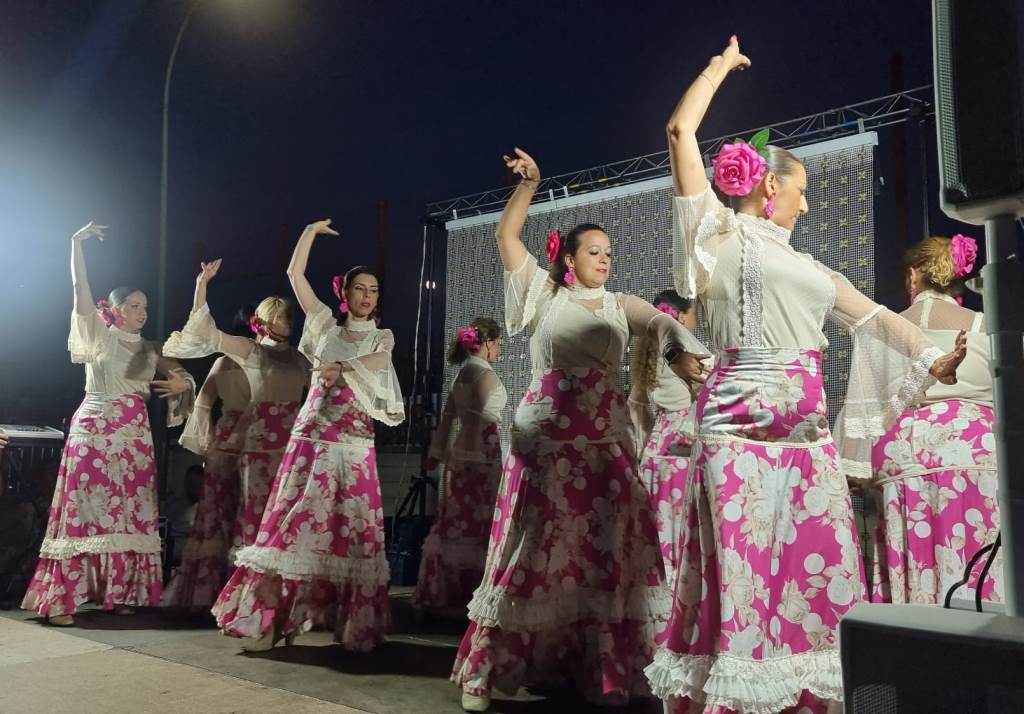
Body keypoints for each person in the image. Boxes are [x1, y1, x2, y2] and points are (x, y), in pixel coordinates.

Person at [645, 37, 967, 713]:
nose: (810, 205)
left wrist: (935, 357)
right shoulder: (716, 236)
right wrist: (720, 68)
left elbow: (876, 318)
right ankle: (734, 697)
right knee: (741, 569)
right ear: (770, 184)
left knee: (813, 568)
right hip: (734, 430)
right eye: (804, 190)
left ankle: (804, 698)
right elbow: (680, 130)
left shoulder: (813, 269)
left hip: (805, 437)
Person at [451, 149, 708, 712]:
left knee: (612, 546)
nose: (604, 260)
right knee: (537, 543)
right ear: (568, 258)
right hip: (546, 441)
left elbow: (663, 319)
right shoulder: (542, 295)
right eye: (593, 251)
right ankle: (489, 670)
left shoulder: (619, 304)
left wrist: (678, 349)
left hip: (604, 441)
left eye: (609, 253)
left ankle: (603, 668)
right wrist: (531, 186)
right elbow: (506, 236)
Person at [211, 220, 404, 652]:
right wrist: (309, 233)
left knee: (352, 531)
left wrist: (345, 369)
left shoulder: (382, 336)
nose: (367, 295)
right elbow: (295, 276)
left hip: (355, 443)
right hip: (313, 437)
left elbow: (376, 361)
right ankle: (268, 619)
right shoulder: (321, 324)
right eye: (360, 288)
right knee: (293, 522)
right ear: (346, 293)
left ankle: (351, 624)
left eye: (373, 289)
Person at [21, 222, 195, 625]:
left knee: (130, 512)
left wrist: (181, 382)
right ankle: (63, 598)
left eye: (145, 307)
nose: (141, 312)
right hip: (96, 429)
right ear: (115, 309)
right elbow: (80, 291)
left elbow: (184, 372)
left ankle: (125, 591)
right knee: (84, 510)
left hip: (134, 436)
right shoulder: (100, 334)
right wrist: (76, 246)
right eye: (134, 306)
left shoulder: (151, 347)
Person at [867, 234, 999, 604]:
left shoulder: (885, 327)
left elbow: (870, 402)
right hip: (977, 452)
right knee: (981, 553)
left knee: (917, 557)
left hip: (905, 455)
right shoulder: (988, 326)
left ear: (914, 277)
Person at [412, 318, 506, 617]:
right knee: (479, 527)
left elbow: (449, 417)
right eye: (498, 341)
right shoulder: (485, 375)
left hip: (459, 459)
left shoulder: (462, 374)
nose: (500, 347)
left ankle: (446, 593)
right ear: (488, 342)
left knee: (455, 527)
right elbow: (478, 421)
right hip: (481, 458)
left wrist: (436, 453)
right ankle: (471, 594)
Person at [161, 353, 250, 609]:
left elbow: (203, 403)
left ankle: (213, 590)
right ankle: (232, 592)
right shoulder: (253, 361)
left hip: (230, 437)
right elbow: (204, 402)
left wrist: (209, 440)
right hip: (251, 436)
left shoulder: (223, 362)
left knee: (219, 514)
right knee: (233, 513)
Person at [628, 289, 702, 589]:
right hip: (681, 445)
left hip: (656, 447)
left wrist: (641, 448)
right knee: (681, 525)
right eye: (695, 315)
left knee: (658, 525)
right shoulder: (683, 347)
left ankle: (655, 590)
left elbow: (635, 406)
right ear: (682, 316)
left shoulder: (646, 349)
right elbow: (705, 394)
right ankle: (680, 590)